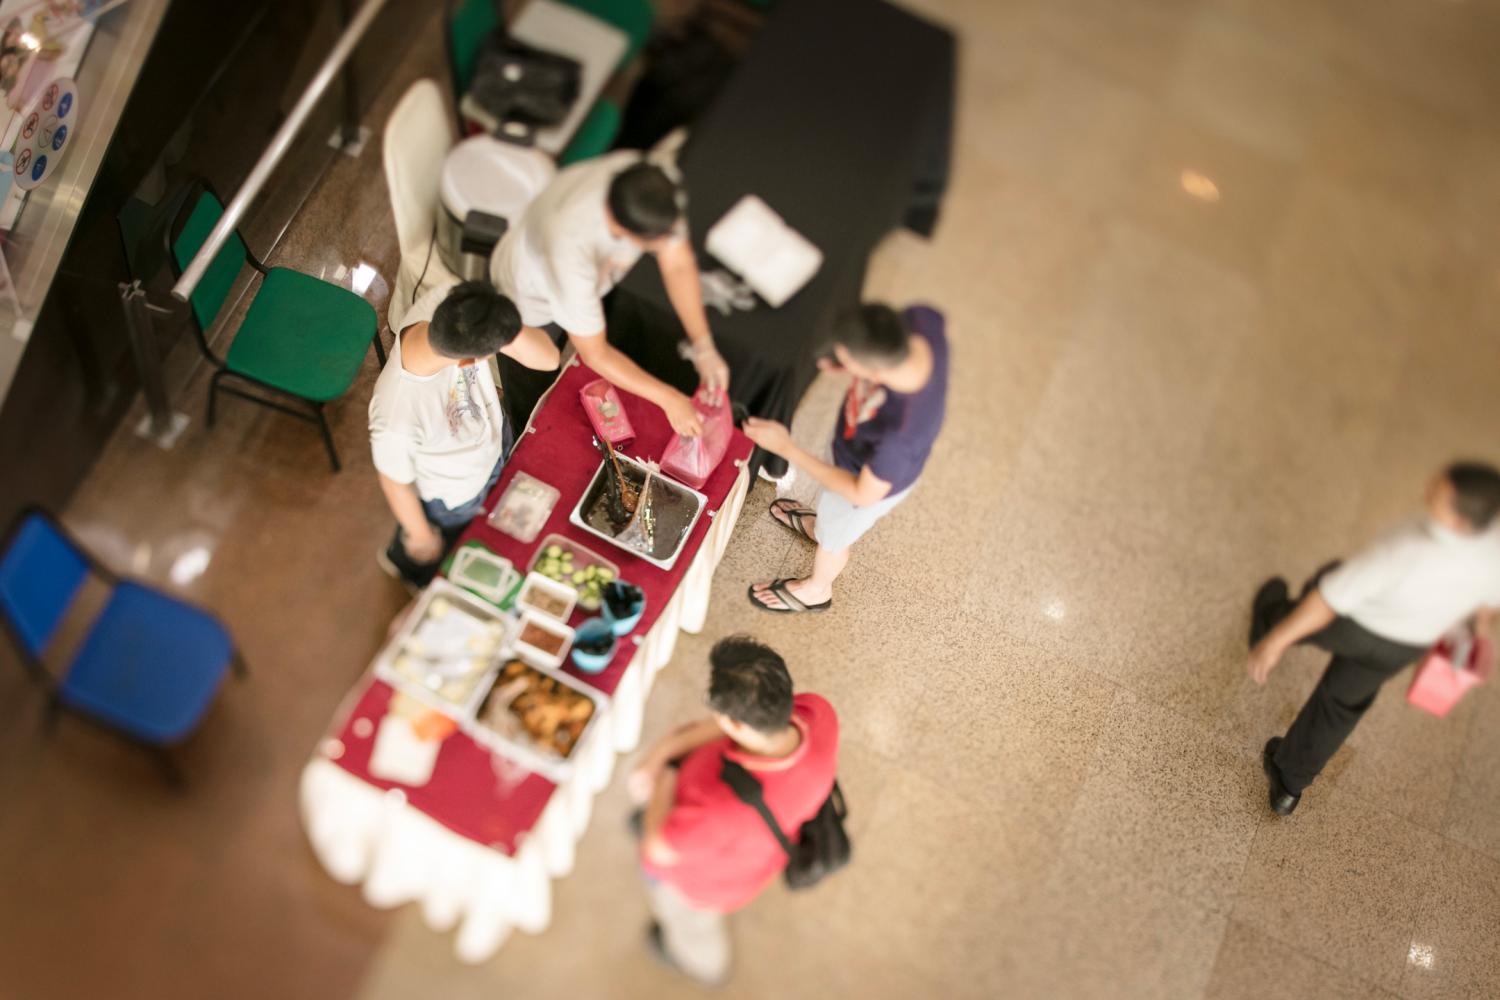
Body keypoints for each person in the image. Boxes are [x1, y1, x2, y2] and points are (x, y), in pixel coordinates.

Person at [1248, 461, 1500, 815]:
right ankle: (1288, 787)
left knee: (1315, 592)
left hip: (1355, 625)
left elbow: (1328, 600)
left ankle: (1265, 623)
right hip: (1407, 645)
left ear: (1460, 520)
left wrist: (1274, 643)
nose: (1428, 487)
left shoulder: (1406, 549)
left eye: (1440, 493)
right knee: (1340, 708)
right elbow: (1486, 610)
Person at [631, 635, 839, 985]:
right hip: (751, 845)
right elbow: (726, 727)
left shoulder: (718, 809)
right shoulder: (816, 712)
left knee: (691, 926)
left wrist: (666, 777)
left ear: (738, 726)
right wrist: (663, 752)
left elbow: (656, 849)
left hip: (702, 886)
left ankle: (704, 966)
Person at [489, 150, 729, 437]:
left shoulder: (649, 179)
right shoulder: (570, 251)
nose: (666, 247)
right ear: (621, 229)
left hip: (578, 278)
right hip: (526, 301)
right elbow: (595, 353)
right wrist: (671, 400)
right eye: (654, 245)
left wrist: (703, 345)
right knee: (532, 389)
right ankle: (521, 433)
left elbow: (677, 262)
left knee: (581, 330)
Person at [741, 303, 949, 613]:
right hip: (855, 448)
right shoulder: (920, 320)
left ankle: (816, 589)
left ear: (875, 371)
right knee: (831, 519)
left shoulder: (901, 436)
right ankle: (821, 527)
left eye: (848, 361)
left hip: (862, 486)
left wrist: (788, 449)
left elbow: (861, 493)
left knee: (835, 540)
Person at [369, 280, 559, 589]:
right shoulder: (396, 414)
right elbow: (394, 482)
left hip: (492, 442)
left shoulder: (453, 305)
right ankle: (405, 568)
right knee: (435, 545)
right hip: (453, 492)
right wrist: (420, 536)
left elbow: (548, 358)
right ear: (470, 362)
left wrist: (499, 319)